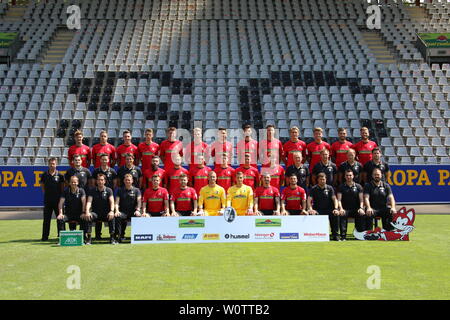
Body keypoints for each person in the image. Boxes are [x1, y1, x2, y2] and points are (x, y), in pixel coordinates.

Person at [307, 173, 340, 241]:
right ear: (318, 180)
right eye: (321, 179)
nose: (322, 181)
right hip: (318, 210)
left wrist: (336, 209)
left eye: (323, 179)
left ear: (326, 180)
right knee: (311, 214)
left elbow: (335, 199)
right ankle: (316, 235)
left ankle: (335, 235)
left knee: (336, 214)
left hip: (329, 209)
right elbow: (309, 200)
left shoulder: (330, 188)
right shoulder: (314, 188)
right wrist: (310, 209)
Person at [84, 174, 116, 244]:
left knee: (112, 217)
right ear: (96, 181)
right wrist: (87, 211)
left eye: (102, 180)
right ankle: (88, 238)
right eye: (98, 180)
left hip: (106, 213)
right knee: (88, 216)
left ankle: (112, 237)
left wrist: (111, 211)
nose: (100, 181)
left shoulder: (109, 190)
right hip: (96, 213)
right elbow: (89, 202)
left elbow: (112, 202)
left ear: (104, 181)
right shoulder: (92, 190)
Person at [337, 170, 367, 240]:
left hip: (356, 209)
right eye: (347, 175)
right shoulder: (341, 186)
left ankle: (360, 236)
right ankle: (343, 237)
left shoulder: (358, 186)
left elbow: (361, 200)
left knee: (361, 214)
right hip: (345, 209)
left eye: (350, 175)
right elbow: (339, 200)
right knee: (342, 214)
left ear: (353, 176)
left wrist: (361, 208)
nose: (348, 177)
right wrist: (341, 208)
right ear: (344, 176)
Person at [40, 157, 65, 241]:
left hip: (58, 202)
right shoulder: (44, 175)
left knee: (60, 219)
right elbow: (43, 187)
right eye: (50, 164)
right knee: (46, 220)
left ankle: (61, 236)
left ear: (56, 164)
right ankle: (45, 237)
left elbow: (62, 188)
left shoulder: (60, 175)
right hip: (48, 201)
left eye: (53, 164)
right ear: (48, 164)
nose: (52, 165)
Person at [57, 175, 88, 241]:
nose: (73, 183)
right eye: (72, 182)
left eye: (75, 182)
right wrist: (60, 213)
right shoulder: (66, 191)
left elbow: (84, 203)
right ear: (69, 183)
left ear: (78, 183)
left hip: (79, 214)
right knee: (60, 219)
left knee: (84, 218)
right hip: (68, 214)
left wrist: (83, 212)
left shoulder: (81, 191)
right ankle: (62, 239)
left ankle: (83, 238)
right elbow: (60, 203)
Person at [114, 174, 142, 242]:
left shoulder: (137, 190)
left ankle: (137, 236)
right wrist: (117, 210)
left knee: (138, 216)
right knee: (118, 216)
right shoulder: (120, 190)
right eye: (126, 180)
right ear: (124, 181)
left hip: (133, 212)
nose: (127, 181)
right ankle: (120, 236)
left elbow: (139, 201)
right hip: (123, 212)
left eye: (129, 180)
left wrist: (138, 210)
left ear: (132, 181)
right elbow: (117, 202)